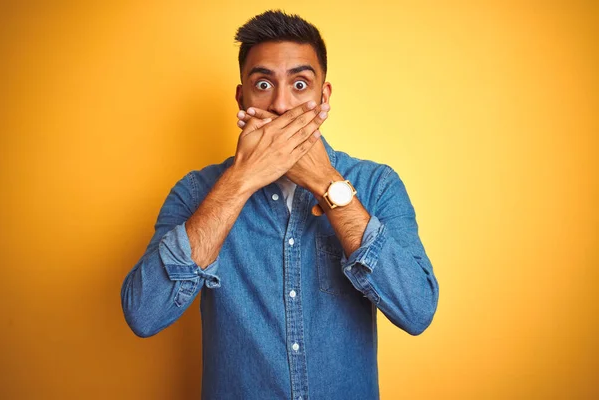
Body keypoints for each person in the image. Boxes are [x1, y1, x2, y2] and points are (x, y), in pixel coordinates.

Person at [121, 10, 439, 400]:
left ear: (324, 97)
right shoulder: (194, 192)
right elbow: (144, 314)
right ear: (242, 98)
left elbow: (417, 310)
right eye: (263, 84)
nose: (282, 104)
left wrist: (328, 184)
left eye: (300, 84)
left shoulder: (378, 184)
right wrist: (240, 181)